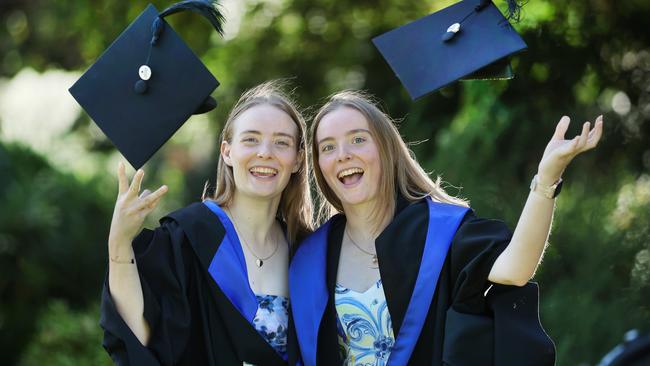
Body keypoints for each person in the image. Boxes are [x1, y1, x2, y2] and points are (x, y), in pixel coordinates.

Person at [289, 91, 603, 365]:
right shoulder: (312, 256)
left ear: (385, 149)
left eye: (358, 139)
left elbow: (515, 269)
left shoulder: (439, 232)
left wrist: (546, 181)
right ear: (319, 165)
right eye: (327, 147)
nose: (343, 154)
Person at [101, 81, 313, 365]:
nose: (265, 152)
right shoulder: (190, 236)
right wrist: (119, 243)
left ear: (298, 159)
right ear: (227, 152)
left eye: (282, 142)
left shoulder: (308, 251)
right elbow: (142, 336)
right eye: (250, 139)